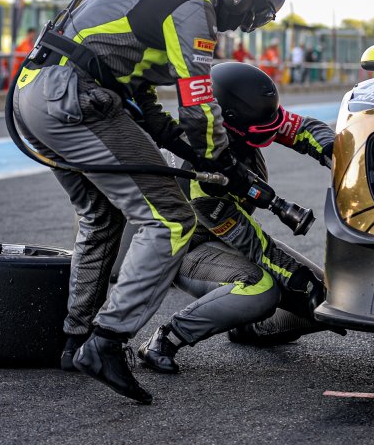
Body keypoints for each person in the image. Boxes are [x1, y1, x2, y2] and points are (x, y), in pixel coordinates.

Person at [13, 0, 288, 403]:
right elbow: (199, 106)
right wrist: (221, 163)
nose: (248, 23)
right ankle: (107, 342)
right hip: (74, 98)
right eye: (255, 12)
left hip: (38, 96)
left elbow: (141, 101)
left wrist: (191, 151)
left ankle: (76, 340)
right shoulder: (194, 8)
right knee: (171, 221)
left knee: (102, 216)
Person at [136, 62, 337, 373]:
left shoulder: (245, 124)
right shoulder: (201, 172)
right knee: (262, 288)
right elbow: (253, 245)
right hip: (186, 248)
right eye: (260, 129)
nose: (270, 131)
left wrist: (334, 152)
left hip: (225, 239)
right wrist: (301, 281)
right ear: (227, 121)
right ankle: (166, 338)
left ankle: (249, 327)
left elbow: (302, 128)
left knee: (332, 300)